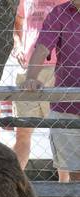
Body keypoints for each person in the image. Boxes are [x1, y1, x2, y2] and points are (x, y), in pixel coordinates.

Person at [20, 0, 80, 183]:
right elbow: (43, 47)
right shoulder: (60, 12)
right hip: (68, 106)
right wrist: (31, 77)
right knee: (77, 175)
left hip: (68, 103)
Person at [12, 0, 68, 172]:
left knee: (62, 133)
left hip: (62, 69)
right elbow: (17, 22)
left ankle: (64, 188)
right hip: (29, 70)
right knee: (23, 132)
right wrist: (18, 45)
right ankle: (14, 182)